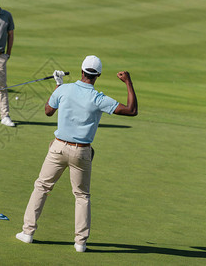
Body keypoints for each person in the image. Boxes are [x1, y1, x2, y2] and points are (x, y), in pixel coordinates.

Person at [15, 55, 138, 253]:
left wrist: (58, 85)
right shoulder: (98, 98)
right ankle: (80, 243)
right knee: (82, 196)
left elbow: (48, 111)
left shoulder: (64, 89)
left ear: (82, 71)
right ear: (97, 75)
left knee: (42, 187)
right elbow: (132, 110)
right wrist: (128, 82)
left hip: (58, 148)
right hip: (82, 152)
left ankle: (27, 233)